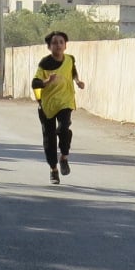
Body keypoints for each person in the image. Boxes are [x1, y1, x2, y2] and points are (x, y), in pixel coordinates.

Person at [32, 30, 86, 185]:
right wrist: (46, 82)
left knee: (63, 128)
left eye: (61, 42)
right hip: (47, 104)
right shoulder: (45, 63)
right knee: (49, 138)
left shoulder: (70, 59)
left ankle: (64, 157)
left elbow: (73, 70)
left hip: (65, 101)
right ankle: (53, 169)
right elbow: (35, 83)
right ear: (49, 47)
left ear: (65, 45)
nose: (58, 45)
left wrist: (77, 81)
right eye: (54, 43)